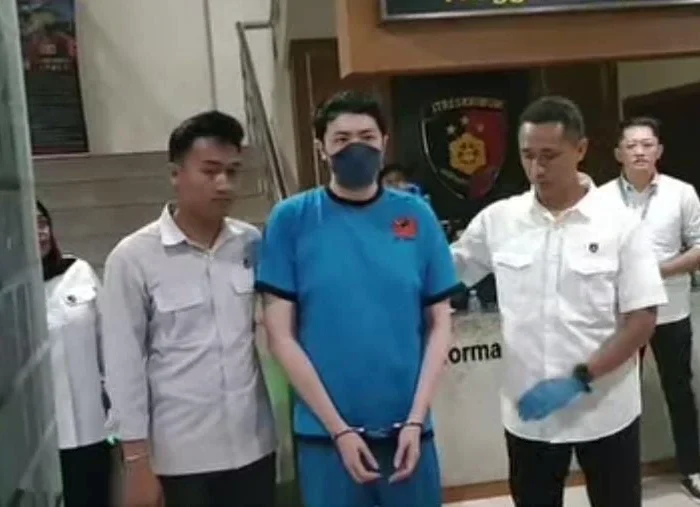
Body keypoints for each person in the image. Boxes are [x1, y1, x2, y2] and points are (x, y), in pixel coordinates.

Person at [451, 96, 667, 507]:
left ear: (580, 149)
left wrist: (580, 378)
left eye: (549, 156)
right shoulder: (500, 220)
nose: (537, 169)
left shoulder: (620, 223)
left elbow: (642, 319)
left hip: (605, 410)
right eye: (528, 155)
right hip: (530, 414)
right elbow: (446, 273)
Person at [256, 90, 460, 507]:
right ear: (322, 149)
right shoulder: (292, 220)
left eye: (366, 137)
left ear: (384, 141)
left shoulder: (416, 215)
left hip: (408, 435)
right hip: (326, 439)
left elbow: (440, 324)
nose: (356, 148)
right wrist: (340, 430)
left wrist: (416, 419)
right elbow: (280, 337)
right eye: (341, 139)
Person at [100, 111, 276, 507]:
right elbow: (124, 366)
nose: (224, 183)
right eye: (210, 171)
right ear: (175, 174)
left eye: (232, 172)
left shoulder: (250, 243)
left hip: (253, 446)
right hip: (179, 458)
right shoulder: (133, 258)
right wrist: (136, 460)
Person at [599, 116, 700, 499]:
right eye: (631, 145)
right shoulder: (600, 198)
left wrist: (655, 270)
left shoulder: (682, 193)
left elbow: (699, 248)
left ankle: (693, 468)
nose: (639, 152)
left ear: (659, 150)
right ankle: (624, 475)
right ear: (618, 153)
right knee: (621, 396)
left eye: (646, 144)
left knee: (680, 391)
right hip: (623, 314)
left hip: (671, 309)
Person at [37, 200, 112, 507]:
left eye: (43, 222)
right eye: (29, 225)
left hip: (90, 430)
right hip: (37, 445)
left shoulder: (78, 271)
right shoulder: (10, 290)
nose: (40, 232)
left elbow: (109, 344)